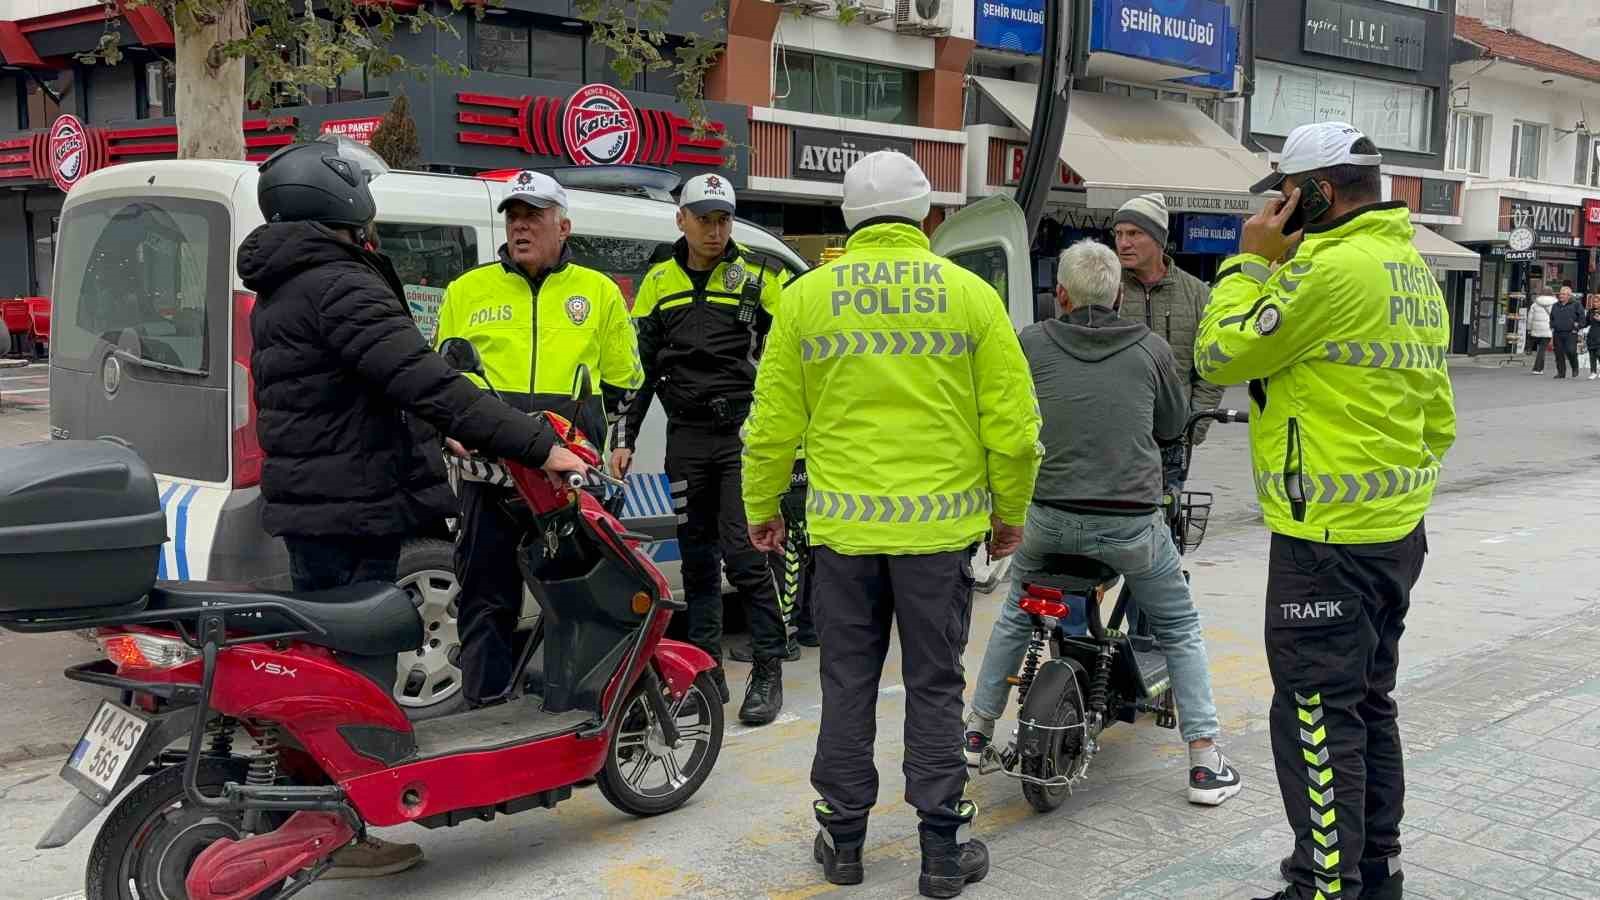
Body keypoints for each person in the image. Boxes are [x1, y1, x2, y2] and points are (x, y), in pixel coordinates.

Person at [239, 138, 585, 879]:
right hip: (352, 504)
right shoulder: (338, 282)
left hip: (320, 500)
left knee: (329, 667)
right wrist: (533, 444)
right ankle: (334, 831)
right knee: (356, 673)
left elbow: (366, 388)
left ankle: (293, 813)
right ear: (343, 201)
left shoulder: (286, 281)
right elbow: (423, 380)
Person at [742, 150, 1042, 898]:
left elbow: (771, 424)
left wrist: (761, 506)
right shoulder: (969, 296)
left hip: (844, 540)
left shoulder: (807, 300)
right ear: (927, 216)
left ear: (848, 217)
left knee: (846, 683)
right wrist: (1009, 514)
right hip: (938, 540)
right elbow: (1014, 428)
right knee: (936, 685)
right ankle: (942, 853)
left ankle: (843, 842)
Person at [1195, 122, 1456, 900]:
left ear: (1317, 193)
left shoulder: (1332, 272)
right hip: (1392, 531)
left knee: (1315, 718)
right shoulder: (1411, 269)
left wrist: (1248, 262)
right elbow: (1436, 418)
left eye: (1282, 193)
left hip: (1326, 540)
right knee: (1368, 706)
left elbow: (1219, 355)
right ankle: (1375, 874)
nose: (1275, 207)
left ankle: (1324, 885)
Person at [963, 239, 1243, 806]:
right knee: (1178, 624)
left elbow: (1007, 419)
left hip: (1047, 520)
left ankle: (976, 734)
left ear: (1059, 295)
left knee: (1018, 613)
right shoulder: (1152, 348)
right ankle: (1205, 762)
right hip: (1131, 527)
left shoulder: (1032, 344)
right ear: (1118, 294)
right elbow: (1170, 425)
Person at [435, 170, 643, 707]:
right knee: (485, 597)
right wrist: (454, 431)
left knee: (581, 596)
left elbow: (626, 383)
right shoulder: (466, 290)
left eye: (534, 216)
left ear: (563, 226)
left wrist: (615, 441)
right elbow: (444, 381)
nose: (520, 226)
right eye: (513, 216)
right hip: (491, 478)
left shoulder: (598, 293)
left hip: (565, 480)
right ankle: (485, 710)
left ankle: (580, 709)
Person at [611, 174, 789, 723]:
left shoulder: (760, 275)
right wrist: (625, 437)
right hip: (685, 437)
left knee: (746, 553)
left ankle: (768, 670)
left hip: (740, 438)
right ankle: (705, 674)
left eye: (724, 220)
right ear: (681, 219)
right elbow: (638, 371)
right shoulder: (658, 280)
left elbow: (787, 361)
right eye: (705, 219)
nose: (715, 230)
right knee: (696, 559)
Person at [1112, 193, 1228, 488]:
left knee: (1168, 521)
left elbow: (1212, 368)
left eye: (1134, 233)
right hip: (1115, 438)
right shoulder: (1106, 287)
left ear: (1158, 239)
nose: (1123, 243)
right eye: (1119, 234)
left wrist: (1194, 427)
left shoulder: (1196, 293)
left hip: (1175, 439)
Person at [1551, 285, 1584, 379]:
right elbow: (1551, 318)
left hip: (1571, 332)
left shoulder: (1576, 304)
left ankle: (1575, 367)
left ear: (1569, 296)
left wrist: (1577, 326)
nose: (1561, 296)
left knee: (1571, 351)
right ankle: (1561, 373)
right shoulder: (1555, 305)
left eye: (1563, 294)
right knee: (1558, 353)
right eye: (1560, 294)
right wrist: (1553, 325)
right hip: (1558, 332)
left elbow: (1582, 319)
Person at [1528, 292, 1554, 374]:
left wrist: (1529, 329)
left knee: (1540, 349)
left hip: (1536, 329)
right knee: (1542, 349)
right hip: (1547, 329)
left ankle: (1540, 368)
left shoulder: (1535, 304)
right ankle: (1537, 368)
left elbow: (1530, 317)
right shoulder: (1554, 304)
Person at [1585, 295, 1600, 379]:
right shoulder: (1590, 312)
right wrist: (1577, 325)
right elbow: (1586, 322)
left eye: (1597, 301)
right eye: (1594, 301)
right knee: (1592, 354)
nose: (1595, 303)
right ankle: (1593, 372)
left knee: (1599, 353)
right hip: (1592, 334)